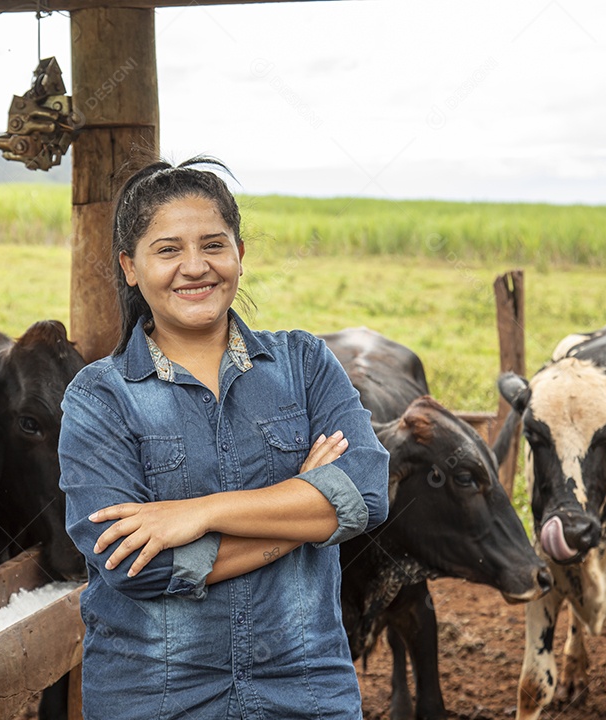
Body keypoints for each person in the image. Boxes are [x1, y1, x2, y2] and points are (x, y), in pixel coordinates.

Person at [58, 157, 390, 719]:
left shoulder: (304, 363)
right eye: (167, 250)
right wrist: (305, 508)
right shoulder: (99, 397)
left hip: (305, 691)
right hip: (158, 698)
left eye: (213, 245)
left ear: (240, 254)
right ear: (130, 267)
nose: (195, 267)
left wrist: (202, 513)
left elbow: (367, 494)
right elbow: (133, 564)